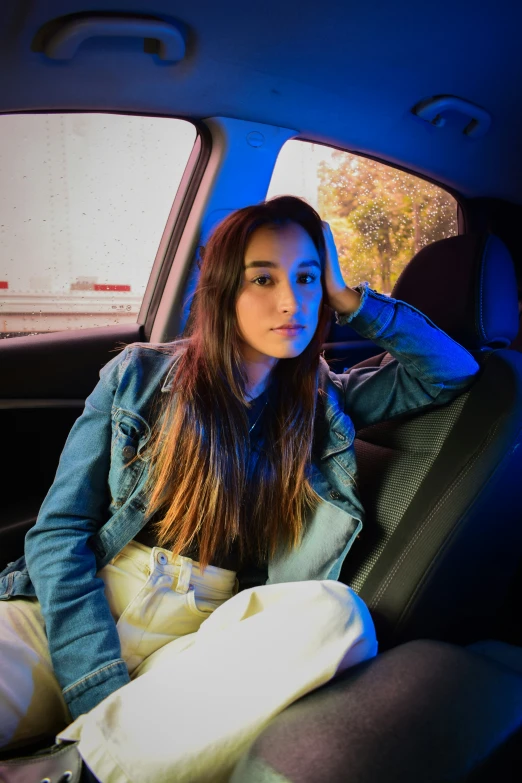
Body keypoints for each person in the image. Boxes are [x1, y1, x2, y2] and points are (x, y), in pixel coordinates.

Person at [0, 196, 481, 782]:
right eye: (262, 278)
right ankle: (116, 746)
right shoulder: (138, 375)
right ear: (224, 288)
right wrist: (95, 683)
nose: (292, 301)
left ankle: (78, 767)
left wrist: (348, 296)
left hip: (198, 637)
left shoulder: (324, 406)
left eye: (307, 278)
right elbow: (59, 532)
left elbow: (451, 372)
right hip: (73, 611)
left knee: (337, 616)